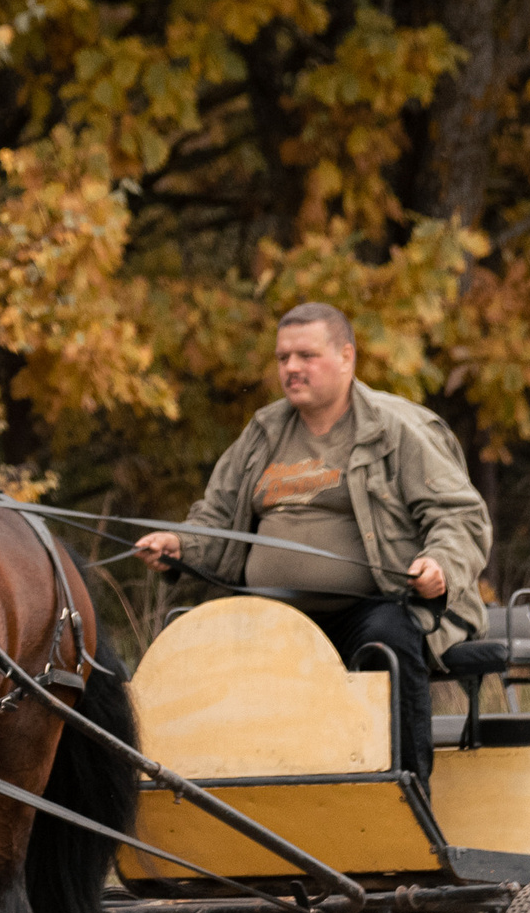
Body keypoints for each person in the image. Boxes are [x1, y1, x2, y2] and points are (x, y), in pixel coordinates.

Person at [134, 302, 490, 781]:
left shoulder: (397, 428)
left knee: (389, 637)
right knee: (200, 647)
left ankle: (405, 799)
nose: (292, 368)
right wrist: (179, 545)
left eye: (306, 355)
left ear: (347, 356)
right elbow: (216, 521)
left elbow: (459, 515)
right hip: (270, 615)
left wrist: (439, 565)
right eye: (283, 358)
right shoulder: (263, 433)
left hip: (370, 607)